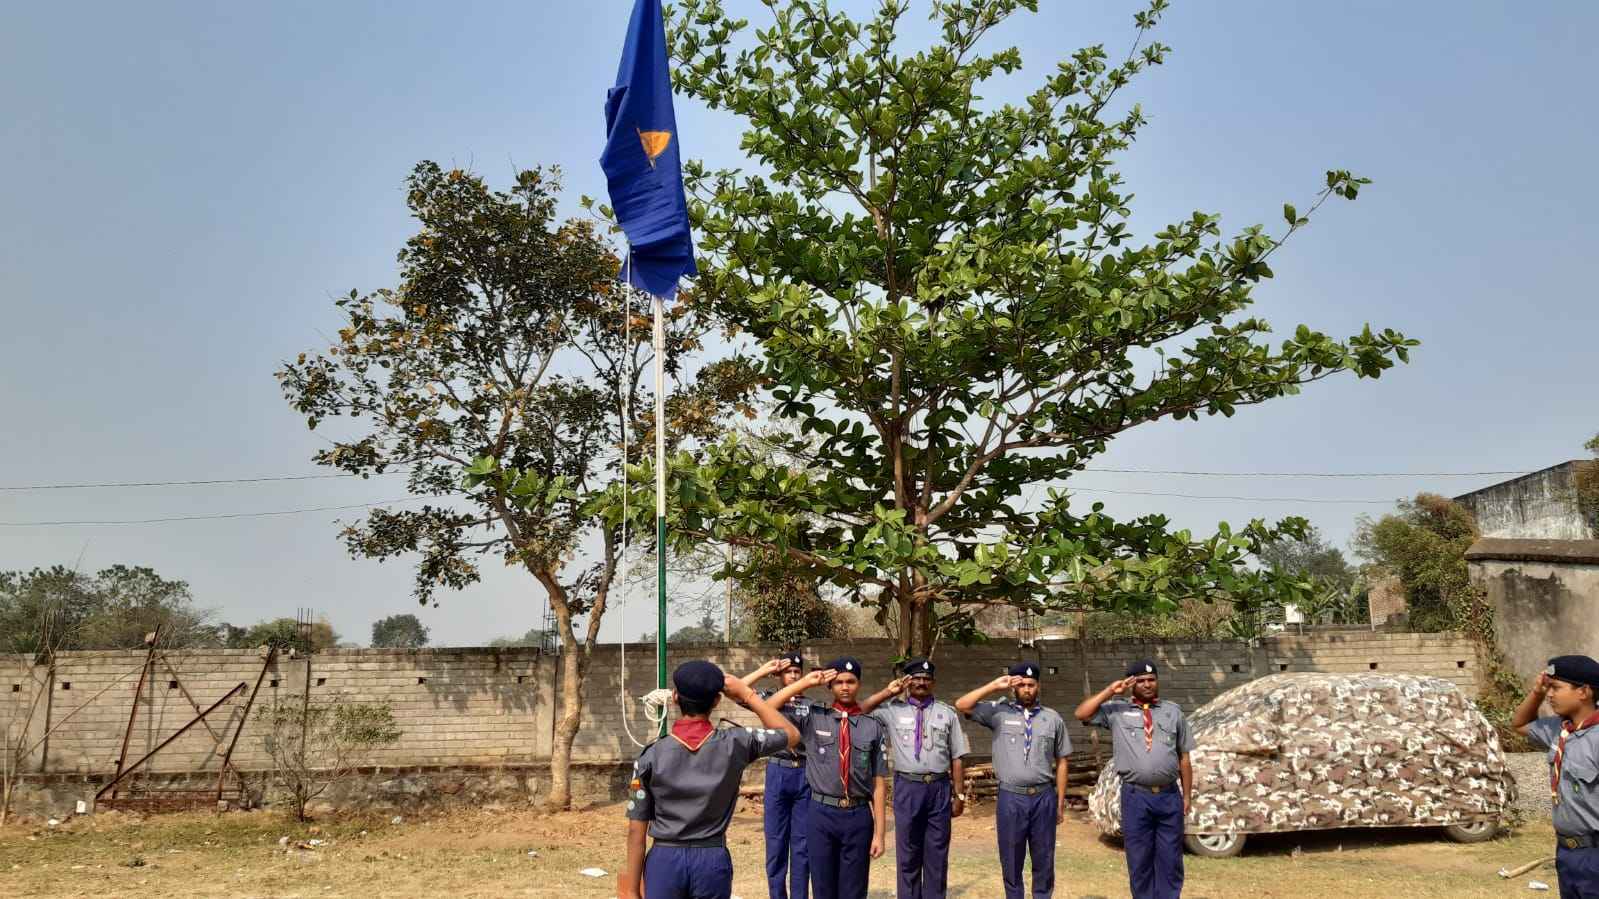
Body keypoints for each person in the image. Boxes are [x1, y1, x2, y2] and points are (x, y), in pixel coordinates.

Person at [618, 660, 801, 899]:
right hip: (711, 859)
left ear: (675, 698)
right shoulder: (738, 742)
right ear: (716, 701)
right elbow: (791, 735)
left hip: (665, 860)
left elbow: (636, 832)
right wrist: (747, 694)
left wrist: (632, 891)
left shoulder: (650, 756)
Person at [769, 657, 888, 899]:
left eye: (851, 682)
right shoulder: (814, 716)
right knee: (823, 888)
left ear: (859, 684)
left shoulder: (872, 726)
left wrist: (880, 834)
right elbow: (769, 707)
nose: (845, 687)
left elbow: (878, 783)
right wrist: (805, 683)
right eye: (839, 682)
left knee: (854, 890)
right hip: (821, 814)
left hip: (858, 815)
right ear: (830, 686)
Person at [1075, 660, 1194, 899]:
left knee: (1171, 859)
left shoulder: (1173, 712)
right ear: (1131, 684)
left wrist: (1187, 796)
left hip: (1169, 795)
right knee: (1139, 859)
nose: (1147, 685)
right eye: (1141, 681)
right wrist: (1111, 691)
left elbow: (1184, 758)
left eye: (1151, 680)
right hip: (1135, 796)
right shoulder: (1116, 711)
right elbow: (1081, 713)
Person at [955, 662, 1071, 899]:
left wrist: (1059, 802)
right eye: (1022, 685)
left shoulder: (1052, 719)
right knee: (1011, 858)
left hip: (1043, 798)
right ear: (1014, 688)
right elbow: (962, 705)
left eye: (1031, 684)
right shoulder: (999, 713)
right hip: (1011, 798)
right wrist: (994, 685)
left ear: (1038, 686)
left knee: (1044, 858)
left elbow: (1062, 761)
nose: (1027, 689)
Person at [859, 657, 969, 899]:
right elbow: (860, 710)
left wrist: (959, 795)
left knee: (937, 853)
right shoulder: (892, 711)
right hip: (908, 788)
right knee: (908, 853)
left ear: (933, 683)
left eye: (926, 679)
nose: (921, 683)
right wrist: (888, 692)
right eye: (916, 678)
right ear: (908, 682)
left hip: (939, 788)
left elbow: (957, 757)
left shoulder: (947, 713)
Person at [1513, 655, 1599, 899]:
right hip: (1567, 852)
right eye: (1548, 687)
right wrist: (1536, 693)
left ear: (1584, 692)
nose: (1550, 694)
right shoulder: (1558, 729)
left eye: (1556, 688)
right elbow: (1519, 724)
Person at [741, 653, 813, 899]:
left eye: (797, 672)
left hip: (805, 773)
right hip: (778, 771)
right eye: (788, 672)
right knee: (775, 842)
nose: (793, 676)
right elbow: (738, 689)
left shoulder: (811, 705)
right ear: (779, 676)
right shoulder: (767, 699)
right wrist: (763, 669)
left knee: (802, 844)